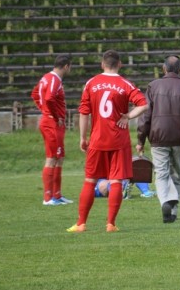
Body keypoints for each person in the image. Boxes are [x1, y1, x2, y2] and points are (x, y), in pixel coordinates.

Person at [67, 50, 147, 233]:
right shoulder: (125, 84)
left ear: (102, 64)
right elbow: (143, 104)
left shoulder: (91, 83)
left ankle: (81, 224)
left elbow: (84, 112)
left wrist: (82, 137)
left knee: (90, 180)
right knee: (116, 181)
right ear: (119, 64)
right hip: (119, 140)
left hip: (97, 139)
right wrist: (128, 116)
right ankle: (111, 224)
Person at [136, 55, 180, 224]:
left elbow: (146, 116)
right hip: (179, 137)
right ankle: (172, 211)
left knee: (161, 173)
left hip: (158, 136)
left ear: (164, 69)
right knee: (177, 175)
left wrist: (140, 139)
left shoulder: (152, 86)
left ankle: (166, 201)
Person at [30, 54, 74, 206]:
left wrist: (44, 110)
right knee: (52, 158)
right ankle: (48, 198)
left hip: (52, 122)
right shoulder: (54, 79)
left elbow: (35, 94)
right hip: (52, 123)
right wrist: (53, 115)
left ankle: (57, 195)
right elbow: (48, 98)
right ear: (66, 66)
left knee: (59, 157)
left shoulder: (46, 77)